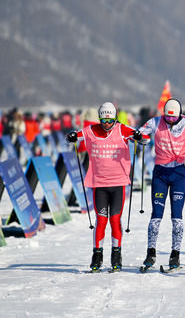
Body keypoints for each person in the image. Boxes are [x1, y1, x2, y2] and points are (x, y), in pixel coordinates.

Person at [66, 102, 143, 271]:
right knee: (101, 220)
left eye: (110, 121)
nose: (107, 124)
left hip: (118, 185)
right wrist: (71, 136)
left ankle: (116, 254)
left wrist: (139, 136)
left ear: (115, 119)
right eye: (104, 121)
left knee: (115, 220)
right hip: (99, 184)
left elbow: (144, 138)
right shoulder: (92, 130)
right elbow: (77, 135)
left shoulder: (122, 129)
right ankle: (97, 255)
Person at [136, 98, 185, 271]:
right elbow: (140, 132)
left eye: (174, 118)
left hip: (178, 174)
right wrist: (140, 137)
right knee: (156, 216)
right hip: (160, 173)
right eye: (168, 117)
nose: (170, 121)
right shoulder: (156, 121)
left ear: (180, 115)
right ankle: (150, 253)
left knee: (177, 217)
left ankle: (175, 256)